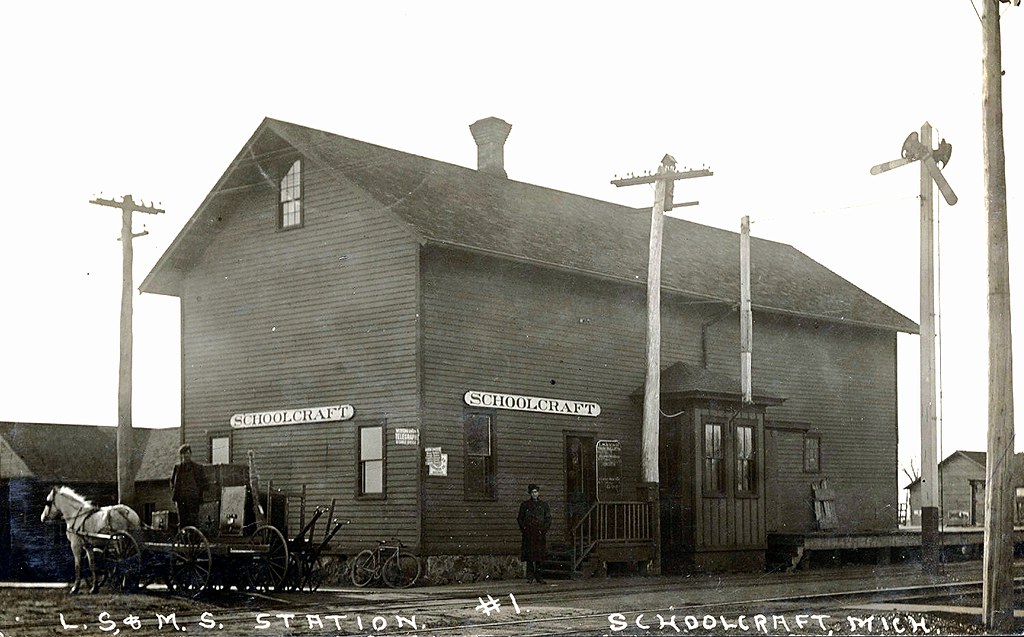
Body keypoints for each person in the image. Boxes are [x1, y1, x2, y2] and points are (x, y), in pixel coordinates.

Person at [517, 483, 552, 583]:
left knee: (539, 556)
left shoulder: (544, 505)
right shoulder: (525, 505)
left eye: (536, 492)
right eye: (532, 492)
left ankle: (539, 577)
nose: (534, 494)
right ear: (530, 493)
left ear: (538, 493)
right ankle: (530, 577)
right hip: (529, 534)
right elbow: (520, 518)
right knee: (529, 556)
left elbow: (548, 519)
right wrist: (524, 529)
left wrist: (543, 530)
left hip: (539, 534)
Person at [170, 443, 205, 529]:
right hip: (181, 500)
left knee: (193, 521)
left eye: (188, 453)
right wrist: (176, 497)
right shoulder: (177, 468)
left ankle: (194, 540)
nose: (186, 455)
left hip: (193, 500)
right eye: (184, 454)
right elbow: (172, 483)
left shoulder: (197, 468)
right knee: (182, 522)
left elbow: (202, 484)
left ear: (191, 454)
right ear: (181, 455)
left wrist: (198, 495)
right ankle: (183, 540)